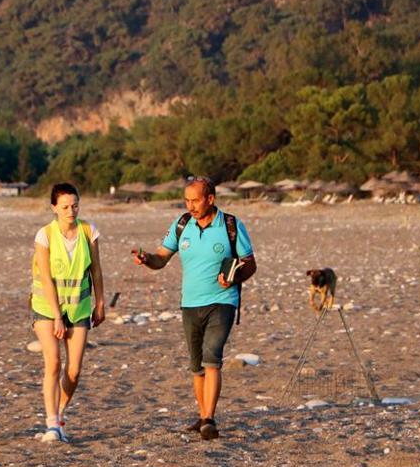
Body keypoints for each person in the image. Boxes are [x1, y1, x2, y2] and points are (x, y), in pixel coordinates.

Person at [132, 176, 256, 440]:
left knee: (212, 357)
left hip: (222, 302)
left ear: (210, 199)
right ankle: (202, 417)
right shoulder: (182, 224)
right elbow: (161, 258)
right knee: (196, 366)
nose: (191, 205)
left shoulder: (232, 225)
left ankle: (209, 418)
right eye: (187, 200)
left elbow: (250, 263)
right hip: (189, 303)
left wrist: (234, 277)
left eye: (195, 200)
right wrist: (146, 259)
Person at [31, 183, 105, 442]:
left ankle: (60, 413)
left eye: (74, 205)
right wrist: (57, 316)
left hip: (79, 307)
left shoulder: (88, 231)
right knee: (53, 362)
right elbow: (46, 278)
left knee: (74, 371)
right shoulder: (45, 235)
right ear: (54, 208)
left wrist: (100, 302)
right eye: (64, 207)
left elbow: (95, 269)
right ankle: (51, 423)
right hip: (46, 307)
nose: (70, 211)